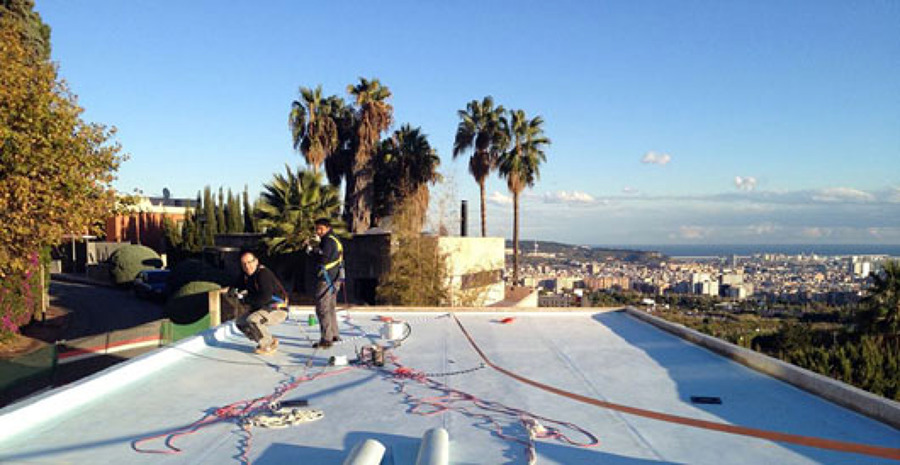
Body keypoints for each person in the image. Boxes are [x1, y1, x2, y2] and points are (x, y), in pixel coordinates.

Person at [223, 250, 288, 355]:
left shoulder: (263, 274)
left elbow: (264, 297)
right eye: (244, 264)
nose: (247, 266)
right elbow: (236, 286)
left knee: (253, 320)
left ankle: (267, 345)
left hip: (277, 308)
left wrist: (245, 299)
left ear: (256, 261)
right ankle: (269, 340)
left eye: (250, 262)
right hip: (263, 308)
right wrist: (232, 291)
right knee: (241, 322)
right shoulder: (245, 276)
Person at [308, 218, 344, 349]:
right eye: (316, 229)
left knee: (322, 308)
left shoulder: (328, 241)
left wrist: (312, 250)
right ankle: (334, 334)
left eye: (320, 229)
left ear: (327, 228)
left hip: (326, 278)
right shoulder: (335, 239)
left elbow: (324, 259)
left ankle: (326, 339)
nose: (318, 232)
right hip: (335, 278)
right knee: (330, 307)